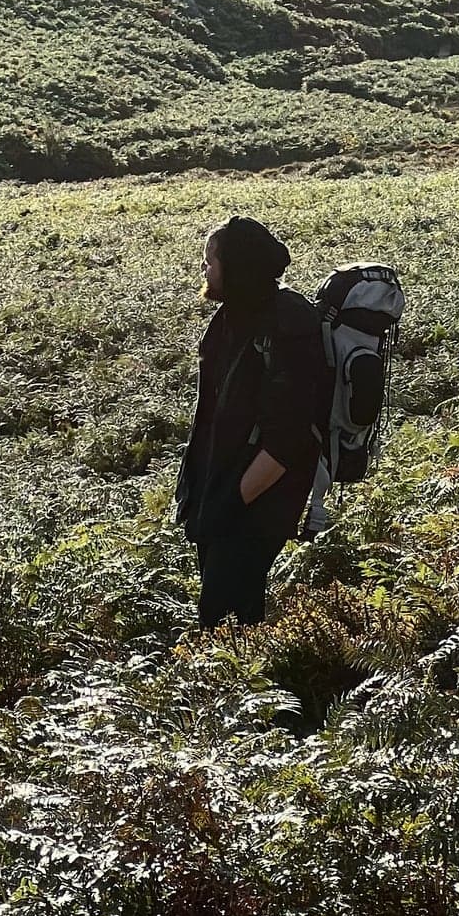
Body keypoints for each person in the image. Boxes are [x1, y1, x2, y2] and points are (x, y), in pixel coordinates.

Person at [174, 214, 326, 628]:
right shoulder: (232, 316)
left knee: (222, 619)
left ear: (236, 267)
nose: (204, 270)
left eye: (210, 261)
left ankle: (238, 687)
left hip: (258, 498)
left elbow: (285, 440)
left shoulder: (287, 327)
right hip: (225, 489)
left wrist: (230, 504)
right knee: (235, 613)